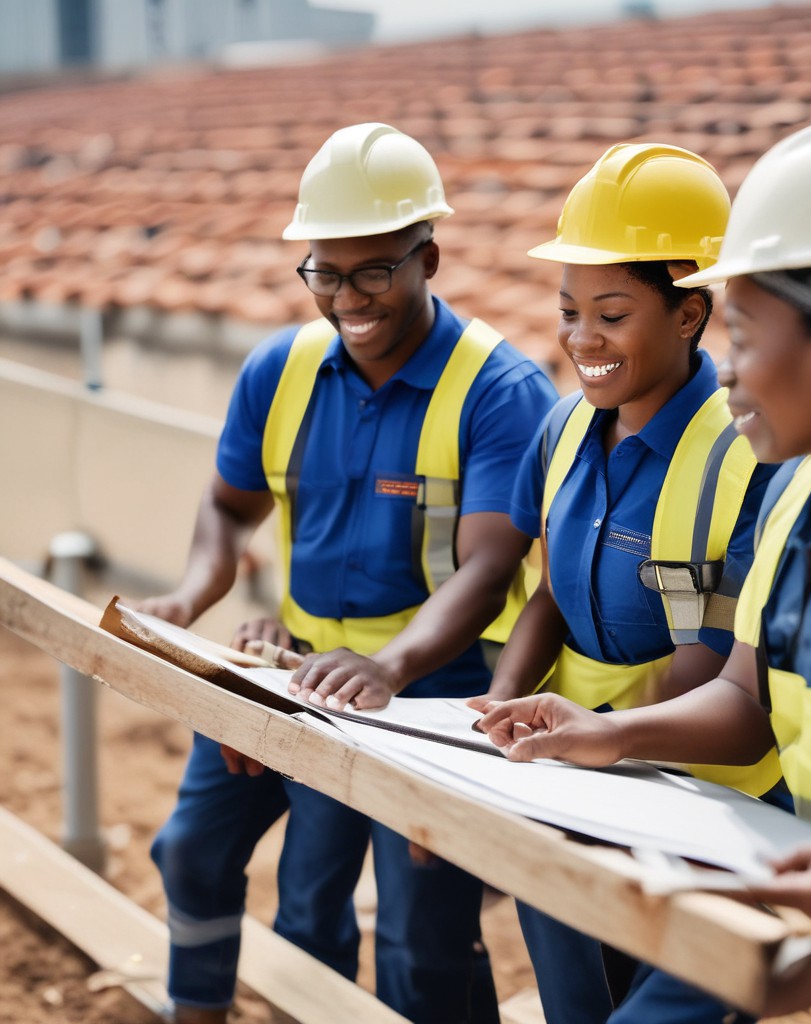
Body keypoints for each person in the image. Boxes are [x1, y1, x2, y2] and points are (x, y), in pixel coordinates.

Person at [470, 114, 811, 1024]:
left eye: (748, 337)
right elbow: (744, 702)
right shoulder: (795, 510)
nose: (726, 376)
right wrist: (602, 733)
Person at [138, 122, 558, 1024]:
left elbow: (489, 567)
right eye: (325, 272)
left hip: (437, 692)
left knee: (419, 934)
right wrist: (196, 592)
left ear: (428, 258)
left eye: (373, 272)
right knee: (196, 850)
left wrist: (391, 669)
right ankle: (196, 1006)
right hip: (299, 670)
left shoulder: (497, 390)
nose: (346, 296)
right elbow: (229, 505)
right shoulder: (278, 370)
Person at [483, 142, 778, 1024]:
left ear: (690, 313)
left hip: (704, 795)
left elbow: (711, 670)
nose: (581, 340)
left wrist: (594, 751)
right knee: (576, 991)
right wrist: (498, 709)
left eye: (612, 313)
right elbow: (546, 596)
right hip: (578, 766)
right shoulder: (565, 429)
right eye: (570, 310)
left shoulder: (744, 456)